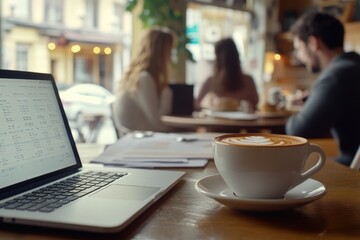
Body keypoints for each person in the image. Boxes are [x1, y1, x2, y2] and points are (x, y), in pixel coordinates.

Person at [286, 11, 360, 166]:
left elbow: (298, 130)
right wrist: (310, 100)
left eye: (299, 48)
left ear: (313, 43)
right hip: (353, 158)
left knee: (298, 166)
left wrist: (291, 109)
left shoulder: (337, 75)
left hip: (354, 168)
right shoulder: (353, 65)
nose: (299, 56)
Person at [112, 27, 175, 132]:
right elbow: (157, 124)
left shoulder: (137, 77)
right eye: (170, 50)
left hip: (135, 139)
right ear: (160, 52)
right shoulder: (144, 79)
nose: (171, 56)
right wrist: (167, 93)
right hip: (143, 141)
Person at [195, 38, 259, 112]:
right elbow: (255, 104)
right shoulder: (248, 80)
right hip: (242, 122)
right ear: (236, 57)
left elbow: (196, 104)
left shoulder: (212, 81)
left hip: (220, 122)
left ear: (218, 59)